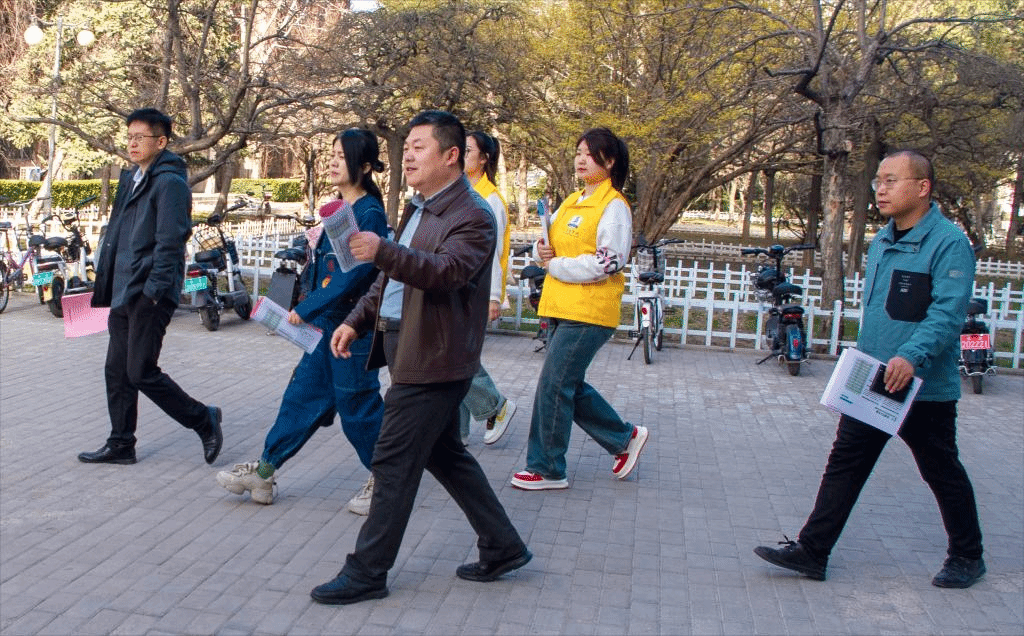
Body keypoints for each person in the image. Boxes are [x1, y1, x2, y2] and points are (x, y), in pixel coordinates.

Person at [311, 110, 530, 605]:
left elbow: (446, 273)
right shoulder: (420, 207)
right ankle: (503, 545)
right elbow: (392, 280)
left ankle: (368, 571)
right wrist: (356, 320)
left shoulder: (473, 214)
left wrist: (383, 251)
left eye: (419, 147)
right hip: (406, 345)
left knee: (392, 462)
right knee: (445, 455)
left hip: (435, 356)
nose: (407, 155)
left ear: (451, 156)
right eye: (406, 147)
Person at [754, 150, 985, 589]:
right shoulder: (882, 241)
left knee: (940, 469)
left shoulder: (948, 243)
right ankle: (813, 551)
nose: (880, 189)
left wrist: (911, 356)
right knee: (846, 462)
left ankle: (968, 556)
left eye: (892, 180)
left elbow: (947, 313)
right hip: (875, 378)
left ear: (923, 187)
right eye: (879, 180)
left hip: (920, 385)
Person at [215, 129, 388, 512]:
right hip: (326, 326)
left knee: (357, 407)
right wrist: (309, 302)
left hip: (354, 329)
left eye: (341, 156)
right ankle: (264, 473)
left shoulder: (369, 212)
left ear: (363, 166)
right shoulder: (341, 207)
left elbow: (356, 272)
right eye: (332, 154)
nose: (332, 161)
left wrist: (308, 307)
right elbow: (328, 267)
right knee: (301, 398)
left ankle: (387, 481)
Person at [79, 108, 222, 466]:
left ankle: (203, 418)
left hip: (149, 292)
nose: (132, 143)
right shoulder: (131, 177)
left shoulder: (170, 183)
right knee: (117, 371)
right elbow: (117, 232)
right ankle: (121, 444)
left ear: (160, 142)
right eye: (129, 137)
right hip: (123, 289)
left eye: (140, 137)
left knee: (140, 371)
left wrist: (154, 291)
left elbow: (171, 242)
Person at [510, 127, 648, 491]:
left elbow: (610, 261)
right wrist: (541, 251)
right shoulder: (573, 200)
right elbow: (549, 242)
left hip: (589, 310)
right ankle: (624, 438)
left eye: (590, 154)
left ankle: (547, 468)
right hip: (562, 305)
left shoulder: (613, 206)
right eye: (578, 152)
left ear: (610, 161)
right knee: (565, 383)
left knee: (553, 385)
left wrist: (556, 265)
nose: (581, 159)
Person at [458, 131, 516, 445]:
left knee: (456, 356)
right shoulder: (461, 190)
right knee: (454, 357)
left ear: (484, 159)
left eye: (468, 150)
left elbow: (492, 252)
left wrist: (494, 297)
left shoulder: (489, 198)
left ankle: (495, 406)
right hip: (457, 287)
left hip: (476, 291)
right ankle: (457, 433)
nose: (461, 154)